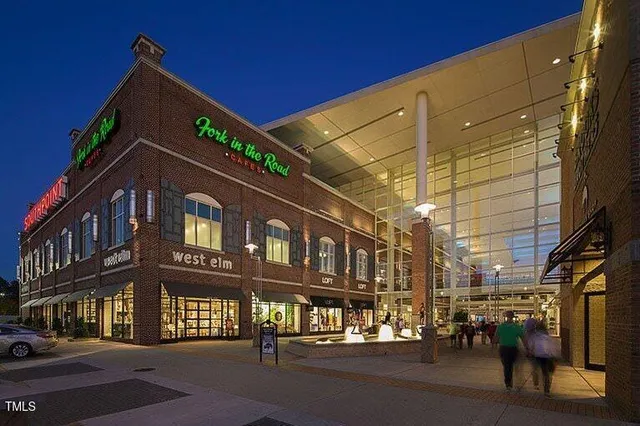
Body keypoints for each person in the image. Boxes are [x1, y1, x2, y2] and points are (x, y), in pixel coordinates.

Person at [496, 311, 524, 391]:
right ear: (513, 316)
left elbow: (495, 338)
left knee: (506, 366)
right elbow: (523, 338)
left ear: (505, 316)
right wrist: (528, 348)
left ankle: (508, 383)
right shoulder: (517, 326)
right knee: (512, 365)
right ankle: (512, 381)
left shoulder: (500, 326)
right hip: (513, 348)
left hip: (503, 348)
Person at [529, 320, 558, 396]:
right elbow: (552, 347)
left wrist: (530, 353)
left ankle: (536, 384)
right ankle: (546, 390)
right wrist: (554, 356)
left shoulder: (534, 336)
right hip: (546, 356)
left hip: (536, 356)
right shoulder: (547, 337)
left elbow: (531, 346)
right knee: (547, 374)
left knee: (535, 370)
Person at [523, 314, 540, 390]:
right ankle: (537, 383)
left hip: (532, 353)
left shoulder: (526, 334)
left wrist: (527, 350)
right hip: (538, 353)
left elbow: (525, 343)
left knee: (535, 368)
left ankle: (536, 383)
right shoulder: (538, 333)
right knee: (536, 368)